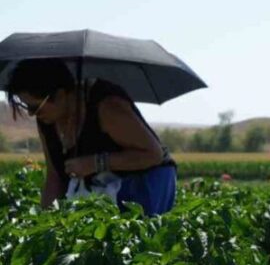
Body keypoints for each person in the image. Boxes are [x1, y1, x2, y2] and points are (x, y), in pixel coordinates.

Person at [4, 59, 177, 215]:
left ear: (61, 94)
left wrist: (95, 163)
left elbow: (153, 155)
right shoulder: (47, 119)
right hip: (101, 192)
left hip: (144, 183)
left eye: (35, 107)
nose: (31, 114)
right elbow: (54, 177)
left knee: (128, 242)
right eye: (25, 106)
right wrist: (44, 224)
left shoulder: (107, 107)